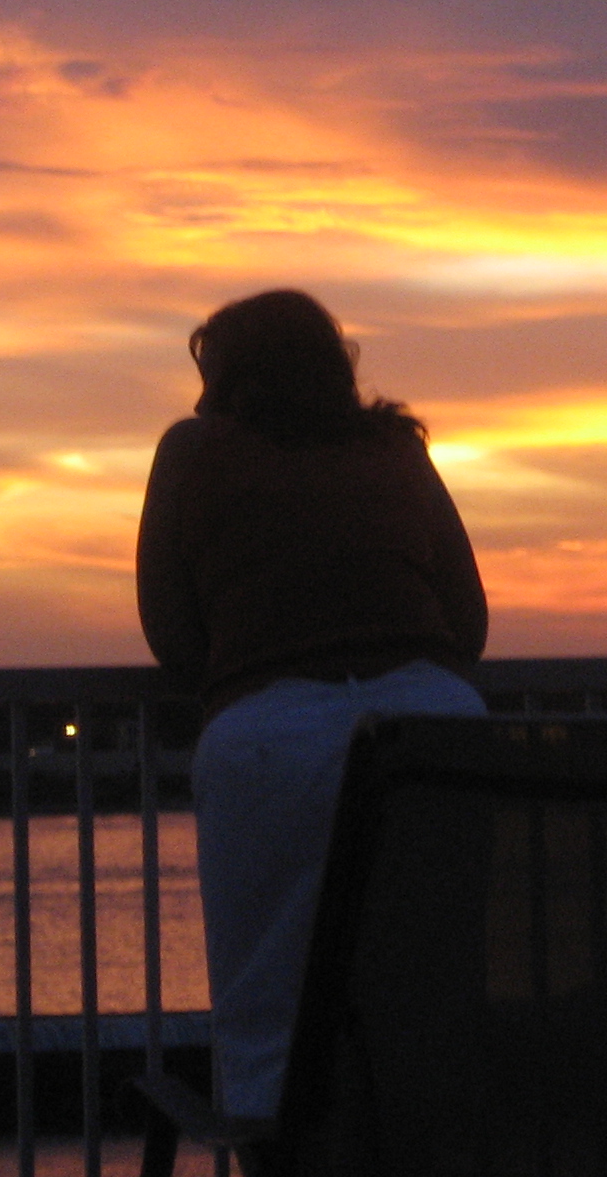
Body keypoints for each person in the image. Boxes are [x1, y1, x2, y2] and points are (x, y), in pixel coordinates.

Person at [136, 289, 489, 1121]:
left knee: (271, 1012)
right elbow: (467, 624)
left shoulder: (191, 452)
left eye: (212, 380)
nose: (199, 402)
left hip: (272, 745)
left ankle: (286, 1143)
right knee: (432, 988)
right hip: (434, 734)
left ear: (239, 383)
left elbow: (172, 636)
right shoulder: (398, 451)